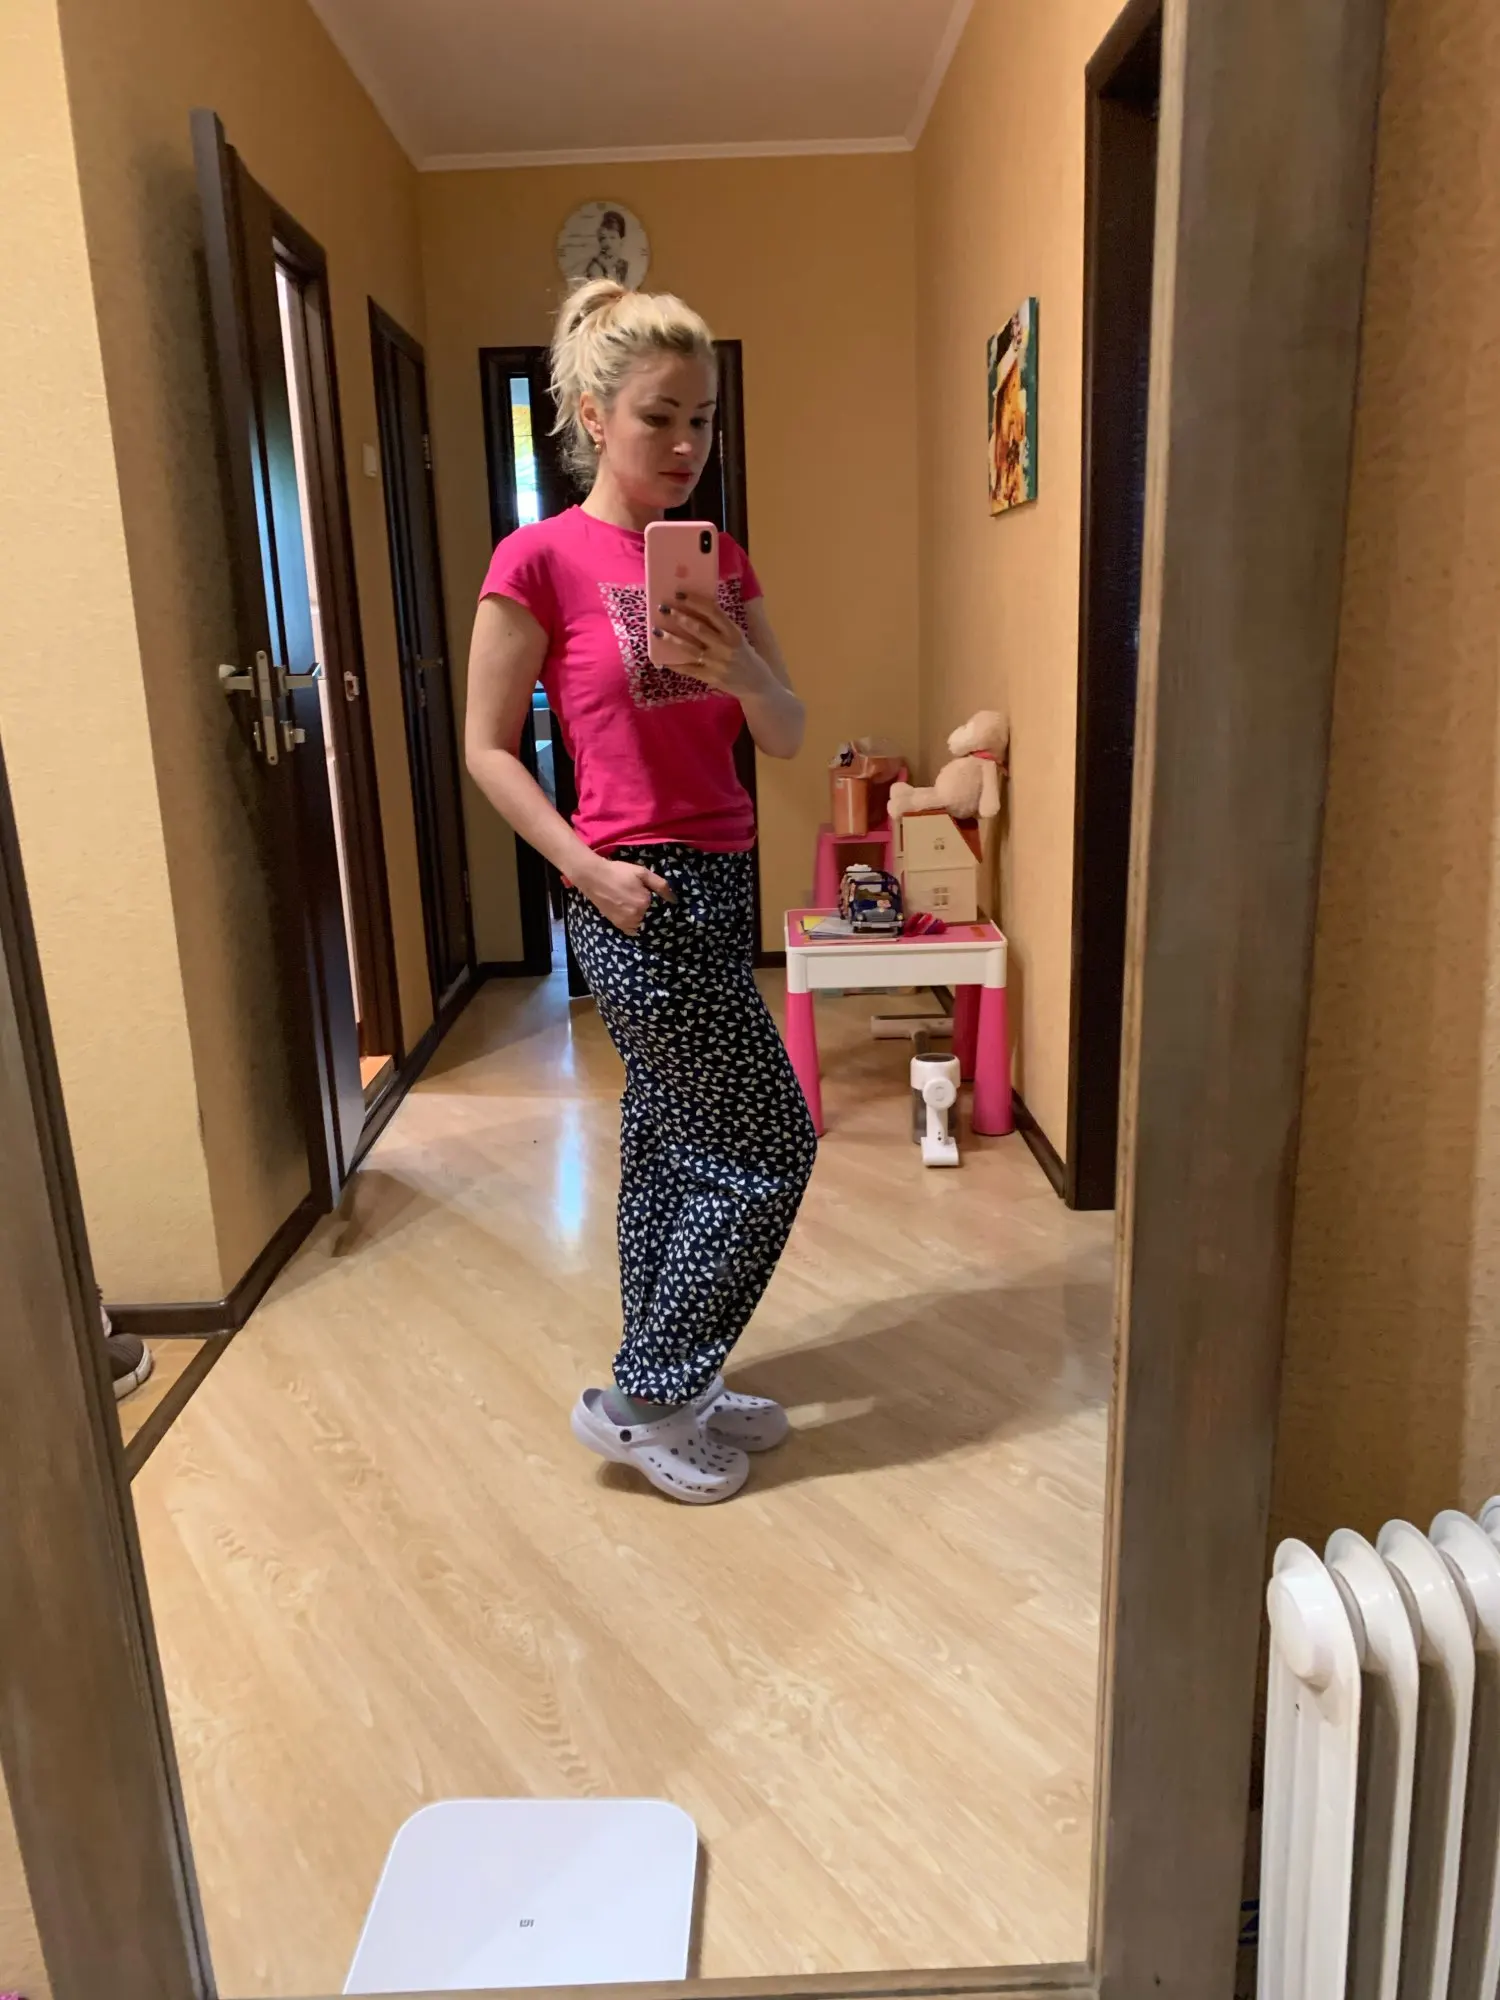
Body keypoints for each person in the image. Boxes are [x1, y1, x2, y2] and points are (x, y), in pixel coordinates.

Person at [464, 280, 817, 1505]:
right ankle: (646, 1399)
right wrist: (584, 869)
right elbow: (487, 749)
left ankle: (678, 1374)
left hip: (723, 874)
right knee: (769, 1141)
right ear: (592, 415)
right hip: (631, 890)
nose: (685, 444)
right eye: (659, 417)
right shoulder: (537, 559)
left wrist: (744, 668)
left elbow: (785, 732)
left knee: (674, 1141)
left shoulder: (721, 562)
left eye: (701, 419)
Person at [584, 209, 630, 285]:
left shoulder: (624, 265)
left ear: (622, 240)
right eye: (603, 238)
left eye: (612, 237)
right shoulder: (596, 266)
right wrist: (608, 269)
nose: (607, 242)